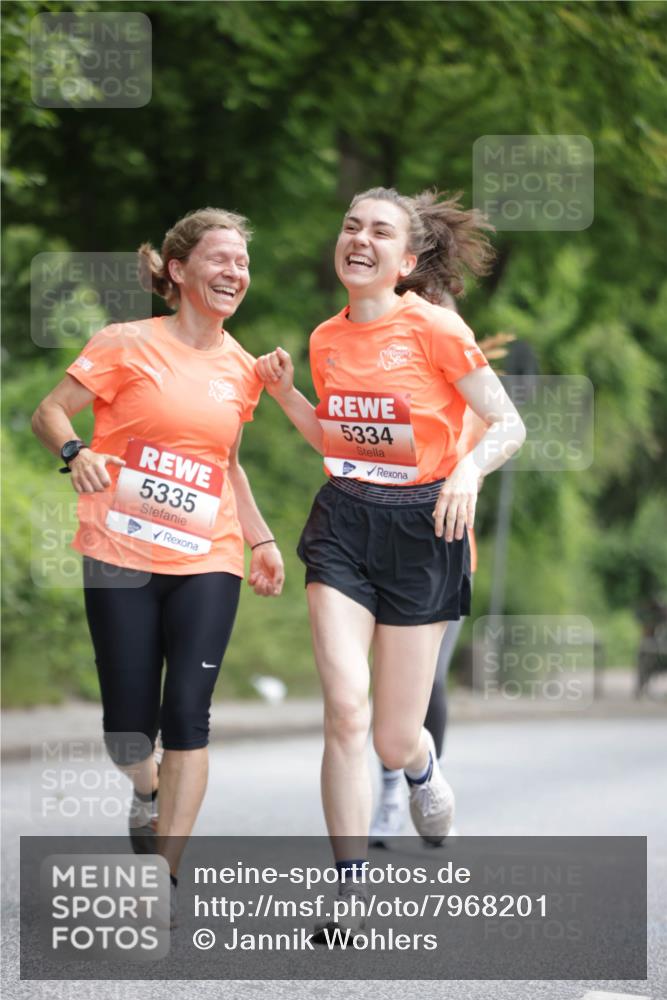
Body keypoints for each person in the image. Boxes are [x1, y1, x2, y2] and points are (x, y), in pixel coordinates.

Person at [256, 186, 525, 934]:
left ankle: (420, 766)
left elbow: (506, 425)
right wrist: (284, 395)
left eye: (379, 231)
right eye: (349, 225)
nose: (358, 238)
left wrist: (467, 471)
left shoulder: (435, 329)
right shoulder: (324, 339)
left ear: (404, 261)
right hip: (343, 525)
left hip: (424, 530)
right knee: (344, 710)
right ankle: (348, 891)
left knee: (390, 735)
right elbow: (337, 444)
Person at [32, 207, 284, 924]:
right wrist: (75, 453)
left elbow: (226, 465)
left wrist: (261, 540)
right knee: (129, 729)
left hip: (209, 554)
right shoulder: (123, 343)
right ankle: (144, 790)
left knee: (187, 716)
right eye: (219, 258)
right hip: (121, 553)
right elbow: (50, 412)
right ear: (177, 270)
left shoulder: (242, 368)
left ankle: (161, 880)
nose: (234, 271)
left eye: (241, 261)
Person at [369, 324, 514, 845]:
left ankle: (427, 783)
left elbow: (500, 442)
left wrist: (467, 471)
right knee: (385, 682)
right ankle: (389, 795)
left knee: (425, 682)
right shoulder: (393, 386)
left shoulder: (474, 405)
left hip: (447, 555)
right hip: (382, 550)